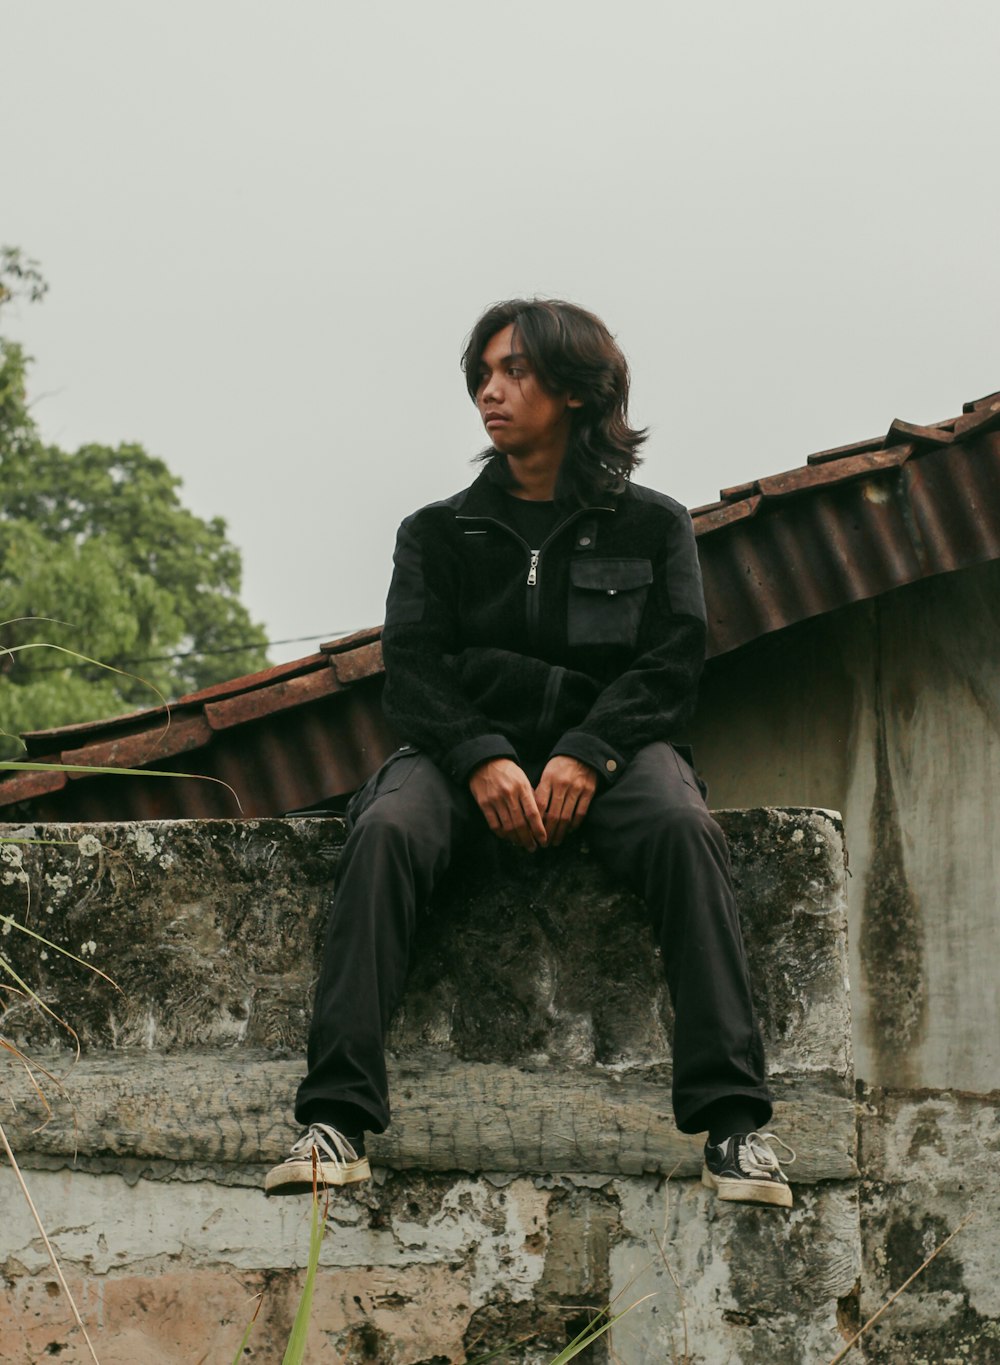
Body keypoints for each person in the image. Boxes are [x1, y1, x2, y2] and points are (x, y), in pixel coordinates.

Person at [265, 299, 793, 1208]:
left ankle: (736, 1129)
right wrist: (478, 755)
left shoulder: (654, 527)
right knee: (387, 826)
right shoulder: (437, 533)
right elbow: (414, 672)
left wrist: (589, 751)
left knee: (683, 827)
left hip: (615, 750)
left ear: (578, 391)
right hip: (463, 753)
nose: (488, 391)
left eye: (511, 371)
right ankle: (336, 1122)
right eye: (481, 373)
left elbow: (670, 667)